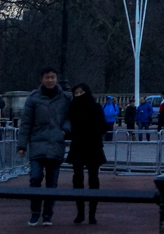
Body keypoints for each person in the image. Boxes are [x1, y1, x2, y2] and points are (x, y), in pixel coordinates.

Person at [16, 67, 71, 226]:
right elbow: (26, 123)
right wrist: (22, 145)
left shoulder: (65, 98)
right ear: (42, 79)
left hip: (55, 143)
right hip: (37, 143)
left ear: (56, 79)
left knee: (52, 182)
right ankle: (35, 213)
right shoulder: (33, 99)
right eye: (47, 77)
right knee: (35, 178)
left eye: (53, 77)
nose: (50, 80)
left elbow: (70, 117)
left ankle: (47, 215)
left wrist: (64, 130)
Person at [67, 83, 109, 225]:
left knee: (93, 179)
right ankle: (80, 212)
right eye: (76, 93)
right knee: (77, 179)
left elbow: (103, 126)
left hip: (92, 146)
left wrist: (93, 133)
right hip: (78, 146)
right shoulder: (72, 108)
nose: (79, 95)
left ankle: (92, 213)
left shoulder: (96, 107)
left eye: (81, 92)